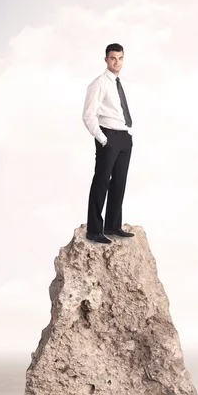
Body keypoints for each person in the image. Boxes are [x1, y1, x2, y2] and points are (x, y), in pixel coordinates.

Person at [82, 43, 135, 244]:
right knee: (101, 182)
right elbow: (88, 115)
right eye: (113, 58)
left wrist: (127, 136)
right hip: (108, 136)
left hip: (123, 136)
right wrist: (103, 139)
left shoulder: (121, 83)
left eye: (120, 58)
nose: (117, 62)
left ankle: (113, 225)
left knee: (119, 183)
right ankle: (94, 230)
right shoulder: (99, 84)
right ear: (106, 59)